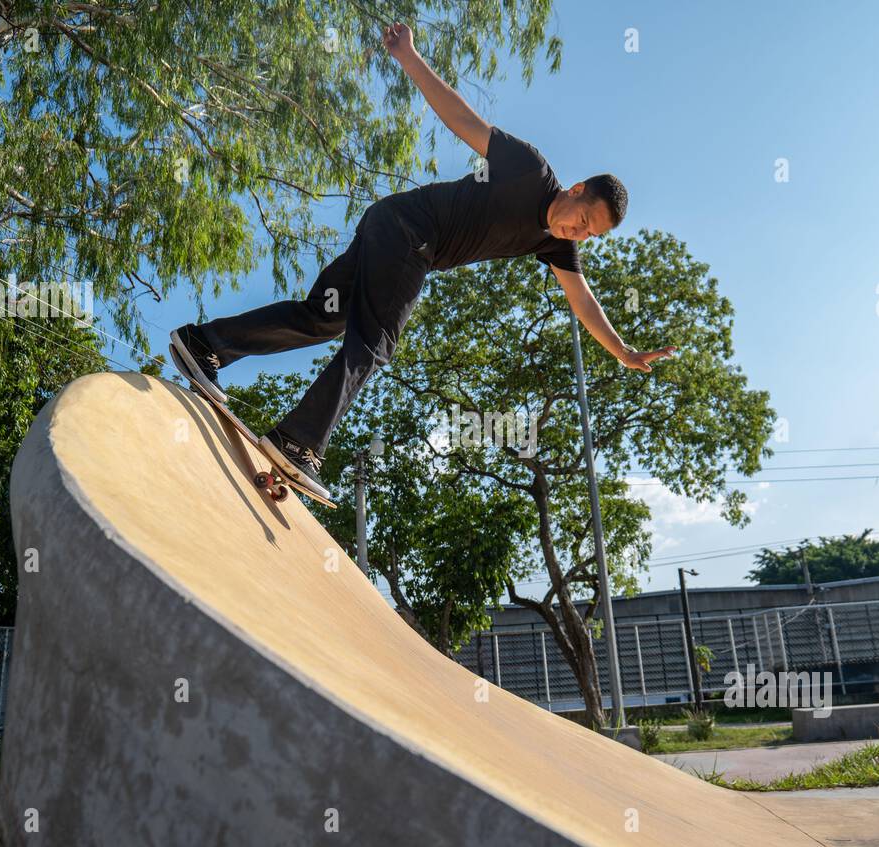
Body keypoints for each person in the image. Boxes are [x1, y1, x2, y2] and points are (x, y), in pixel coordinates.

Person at [170, 22, 675, 498]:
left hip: (391, 227)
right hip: (411, 235)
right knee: (373, 343)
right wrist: (409, 58)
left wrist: (622, 352)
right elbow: (462, 119)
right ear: (577, 190)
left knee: (324, 316)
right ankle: (297, 442)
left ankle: (205, 345)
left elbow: (581, 300)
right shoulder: (529, 169)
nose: (579, 234)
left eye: (591, 234)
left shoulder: (556, 245)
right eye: (584, 220)